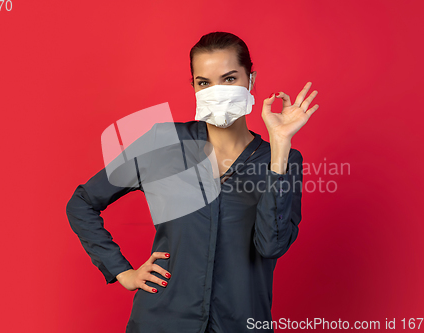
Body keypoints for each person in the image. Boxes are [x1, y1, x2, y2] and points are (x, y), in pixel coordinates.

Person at [66, 31, 318, 333]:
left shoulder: (282, 158)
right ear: (194, 87)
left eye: (228, 79)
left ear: (251, 79)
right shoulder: (162, 142)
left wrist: (280, 148)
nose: (216, 91)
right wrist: (122, 272)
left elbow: (271, 245)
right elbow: (82, 203)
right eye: (204, 82)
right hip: (162, 321)